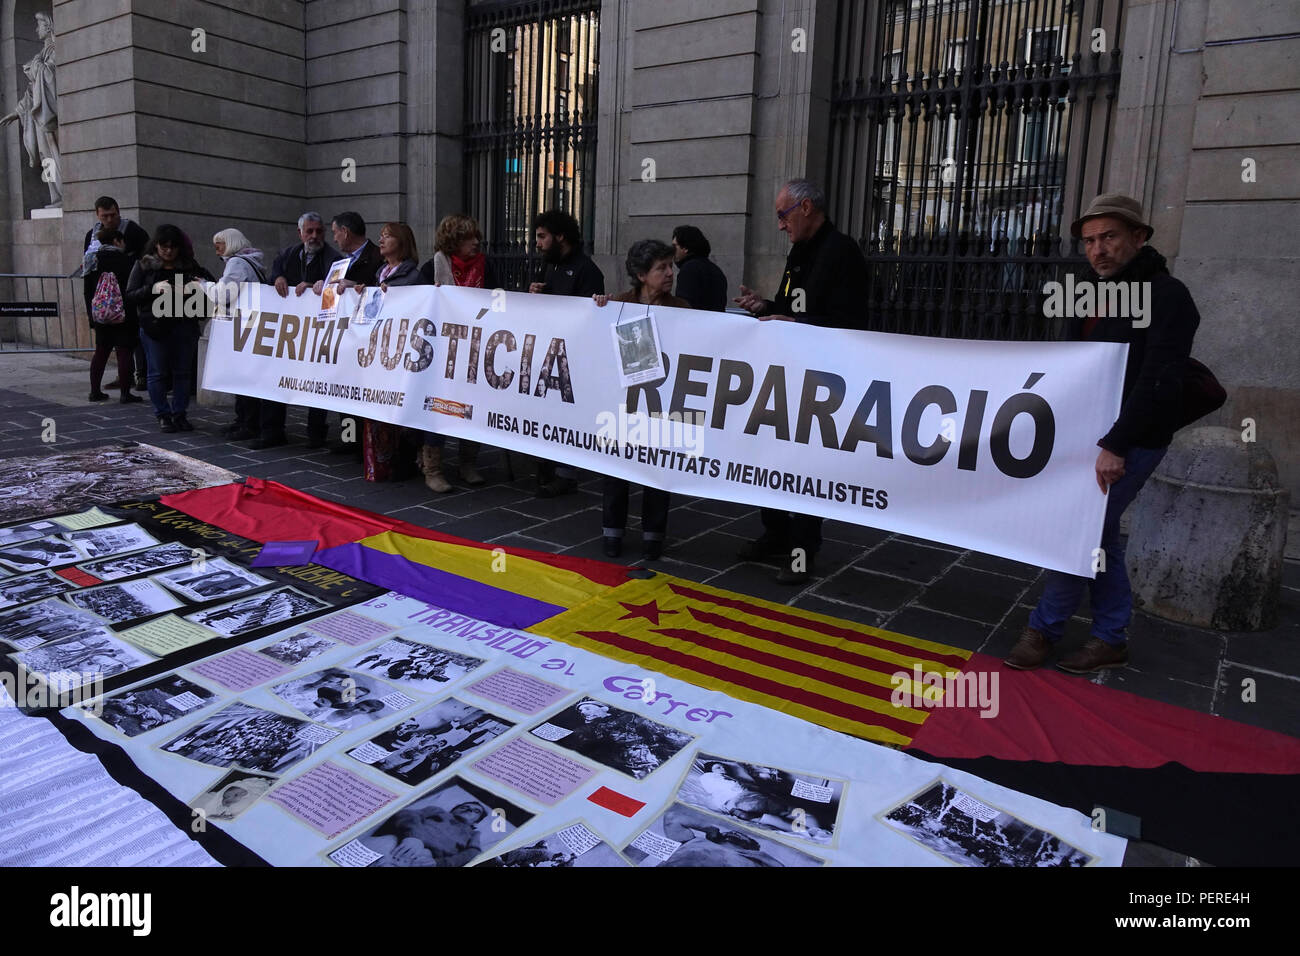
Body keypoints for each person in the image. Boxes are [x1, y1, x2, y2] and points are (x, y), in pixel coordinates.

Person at [1004, 193, 1201, 675]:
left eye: (1109, 236)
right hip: (1084, 439)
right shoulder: (1088, 291)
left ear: (1139, 237)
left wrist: (1116, 445)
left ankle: (1045, 628)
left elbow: (1159, 377)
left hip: (1130, 441)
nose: (1098, 249)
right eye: (1089, 240)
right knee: (1100, 533)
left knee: (1080, 529)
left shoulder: (1165, 295)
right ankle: (1111, 634)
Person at [733, 178, 870, 584]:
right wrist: (765, 306)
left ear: (806, 208)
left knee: (808, 469)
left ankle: (803, 551)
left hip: (824, 380)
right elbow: (791, 308)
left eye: (782, 215)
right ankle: (775, 532)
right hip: (788, 372)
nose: (780, 225)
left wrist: (794, 321)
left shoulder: (843, 252)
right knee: (771, 458)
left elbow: (849, 322)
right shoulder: (800, 251)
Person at [592, 239, 691, 559]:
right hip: (624, 403)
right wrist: (598, 307)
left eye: (671, 266)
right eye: (661, 267)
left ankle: (653, 536)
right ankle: (612, 533)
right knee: (617, 469)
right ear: (641, 273)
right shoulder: (618, 304)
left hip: (662, 405)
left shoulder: (683, 310)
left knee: (658, 470)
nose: (670, 273)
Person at [416, 214, 502, 491]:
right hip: (442, 352)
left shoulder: (487, 268)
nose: (476, 242)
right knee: (438, 405)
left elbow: (502, 301)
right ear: (453, 241)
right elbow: (415, 305)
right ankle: (433, 468)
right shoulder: (432, 268)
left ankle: (468, 463)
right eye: (469, 238)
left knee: (472, 406)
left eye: (476, 237)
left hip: (476, 349)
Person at [527, 210, 605, 497]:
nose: (537, 243)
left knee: (566, 414)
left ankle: (565, 473)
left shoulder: (588, 271)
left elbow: (589, 318)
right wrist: (533, 293)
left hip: (572, 358)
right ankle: (546, 464)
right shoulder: (551, 266)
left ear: (560, 236)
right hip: (547, 352)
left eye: (542, 236)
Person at [354, 221, 427, 483]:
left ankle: (406, 459)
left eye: (388, 236)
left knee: (402, 406)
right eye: (381, 236)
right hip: (381, 349)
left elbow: (416, 309)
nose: (382, 240)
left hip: (402, 350)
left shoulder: (412, 276)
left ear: (402, 243)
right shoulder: (380, 273)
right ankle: (385, 459)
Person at [125, 224, 215, 433]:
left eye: (173, 247)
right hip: (154, 326)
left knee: (183, 373)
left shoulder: (189, 265)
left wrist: (195, 287)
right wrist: (152, 289)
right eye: (163, 246)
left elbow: (211, 284)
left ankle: (180, 413)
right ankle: (163, 415)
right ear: (155, 246)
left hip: (184, 324)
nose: (168, 251)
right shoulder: (144, 266)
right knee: (157, 373)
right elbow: (129, 295)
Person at [311, 212, 384, 453]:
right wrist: (322, 286)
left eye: (334, 232)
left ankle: (362, 445)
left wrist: (357, 288)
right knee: (345, 388)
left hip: (365, 335)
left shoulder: (376, 256)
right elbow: (333, 291)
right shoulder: (341, 262)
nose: (334, 238)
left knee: (360, 391)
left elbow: (382, 290)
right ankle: (349, 440)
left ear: (346, 232)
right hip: (344, 333)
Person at [269, 212, 343, 448]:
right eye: (309, 231)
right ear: (300, 233)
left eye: (319, 231)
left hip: (318, 332)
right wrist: (278, 277)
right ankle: (272, 431)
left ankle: (316, 434)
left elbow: (337, 293)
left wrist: (316, 287)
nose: (314, 236)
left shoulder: (333, 258)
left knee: (317, 381)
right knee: (277, 377)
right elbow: (274, 272)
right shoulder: (288, 254)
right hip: (289, 332)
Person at [211, 229, 281, 448]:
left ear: (231, 242)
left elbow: (224, 294)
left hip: (243, 326)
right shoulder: (250, 261)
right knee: (245, 377)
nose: (217, 249)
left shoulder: (237, 264)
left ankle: (247, 423)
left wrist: (203, 286)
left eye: (220, 243)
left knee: (245, 378)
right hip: (250, 324)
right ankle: (244, 420)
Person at [83, 197, 150, 390]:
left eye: (113, 215)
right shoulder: (93, 237)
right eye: (105, 216)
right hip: (117, 305)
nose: (110, 219)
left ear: (118, 211)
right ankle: (125, 387)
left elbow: (144, 260)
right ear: (98, 215)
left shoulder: (133, 232)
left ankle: (135, 377)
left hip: (113, 304)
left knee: (112, 348)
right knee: (121, 349)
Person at [671, 225, 728, 312]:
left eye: (675, 246)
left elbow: (684, 308)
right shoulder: (715, 269)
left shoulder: (688, 270)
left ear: (685, 248)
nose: (672, 251)